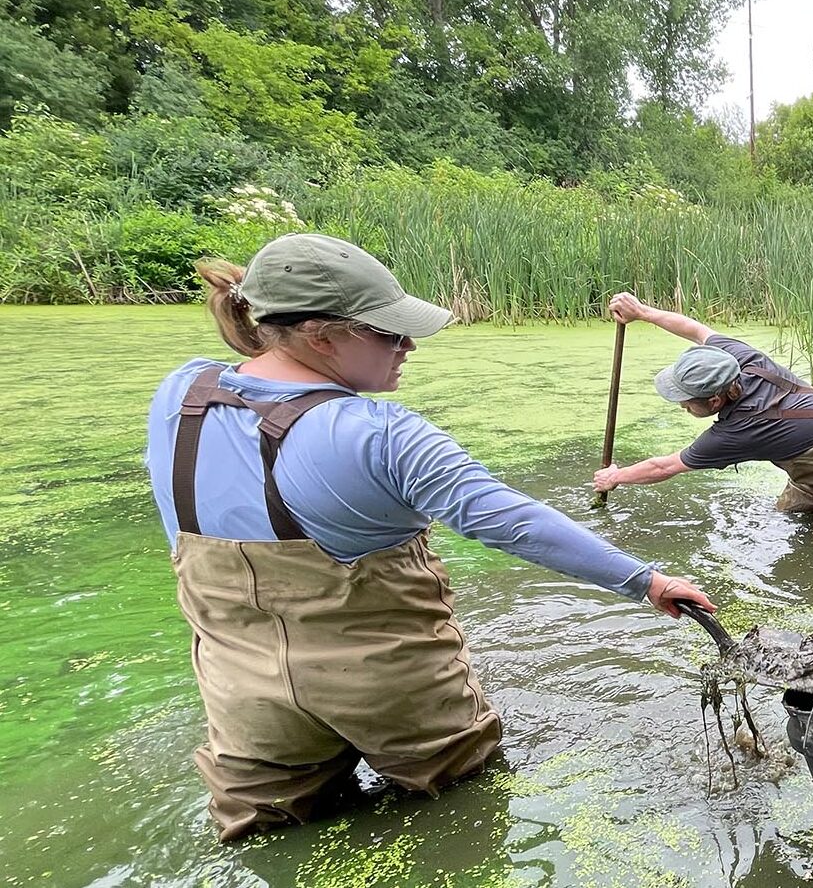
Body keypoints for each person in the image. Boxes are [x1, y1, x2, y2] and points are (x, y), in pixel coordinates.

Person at [145, 233, 713, 841]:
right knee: (462, 818)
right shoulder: (380, 432)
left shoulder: (184, 391)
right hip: (389, 685)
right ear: (321, 335)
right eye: (388, 331)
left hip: (243, 694)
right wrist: (644, 581)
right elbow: (509, 520)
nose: (409, 344)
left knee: (269, 836)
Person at [593, 293, 813, 537]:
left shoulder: (740, 429)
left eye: (686, 402)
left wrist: (615, 477)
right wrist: (642, 312)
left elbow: (664, 468)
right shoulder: (736, 360)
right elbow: (695, 330)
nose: (682, 407)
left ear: (715, 399)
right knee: (786, 518)